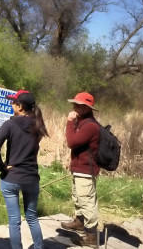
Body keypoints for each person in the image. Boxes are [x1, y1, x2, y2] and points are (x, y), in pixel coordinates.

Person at [0, 90, 49, 249]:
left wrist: (1, 167)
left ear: (20, 106)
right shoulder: (38, 125)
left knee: (14, 220)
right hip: (31, 178)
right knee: (32, 217)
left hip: (12, 177)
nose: (11, 104)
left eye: (13, 102)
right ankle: (39, 247)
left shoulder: (10, 123)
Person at [61, 92, 100, 246]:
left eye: (77, 105)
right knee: (78, 197)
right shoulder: (84, 122)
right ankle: (79, 223)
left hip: (85, 170)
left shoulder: (90, 125)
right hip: (80, 168)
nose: (73, 107)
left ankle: (91, 237)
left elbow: (71, 142)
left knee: (87, 203)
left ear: (85, 108)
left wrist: (69, 121)